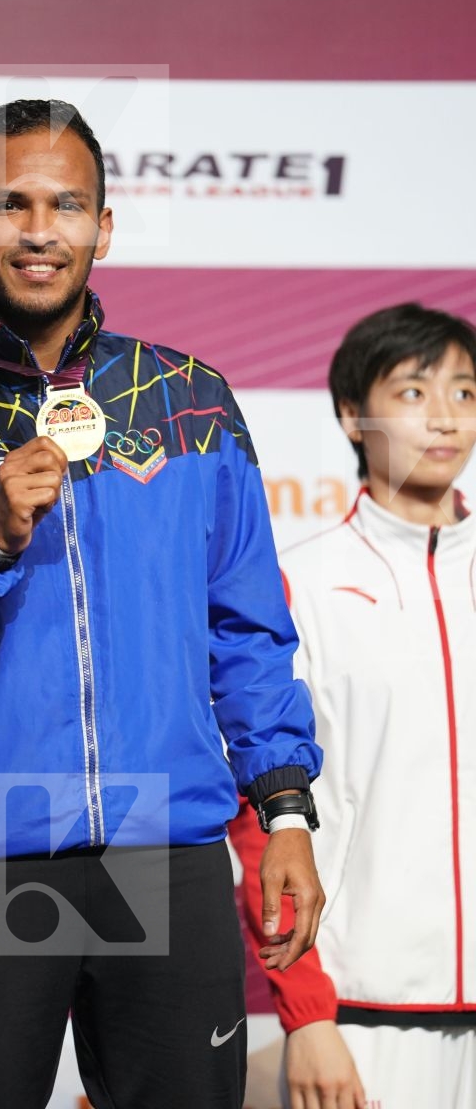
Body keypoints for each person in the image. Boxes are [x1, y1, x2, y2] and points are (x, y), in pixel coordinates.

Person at [0, 98, 324, 1109]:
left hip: (161, 840)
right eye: (11, 205)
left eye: (66, 204)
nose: (39, 230)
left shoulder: (186, 399)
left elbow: (247, 630)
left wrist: (287, 809)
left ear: (103, 226)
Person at [230, 303, 476, 1109]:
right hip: (366, 1016)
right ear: (351, 413)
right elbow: (259, 820)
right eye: (413, 392)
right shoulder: (297, 589)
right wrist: (307, 1016)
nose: (446, 417)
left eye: (466, 393)